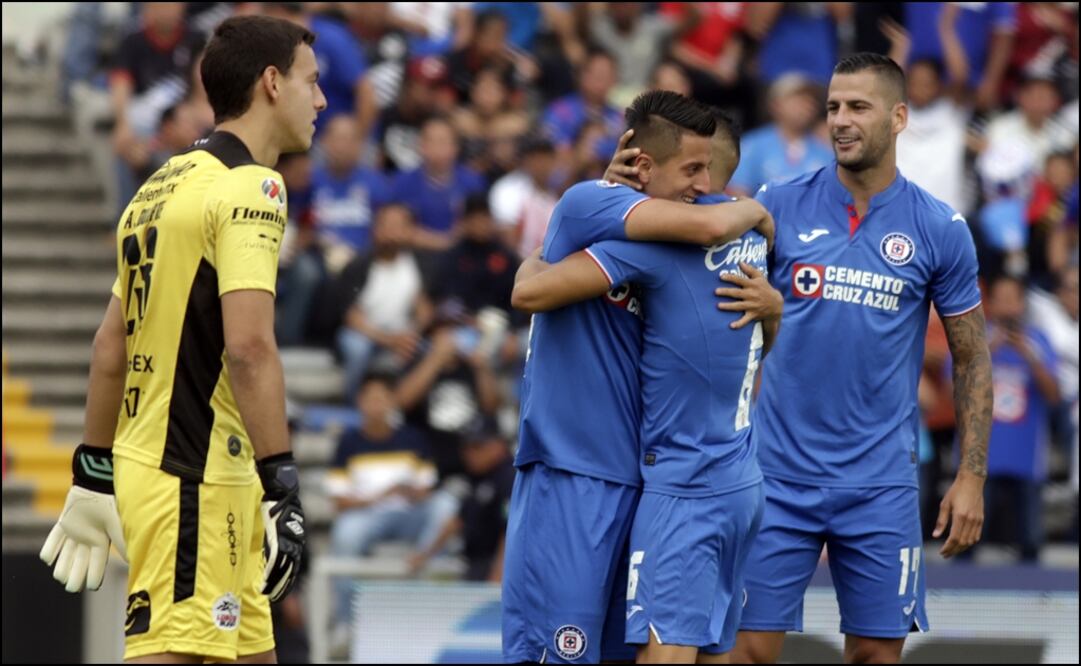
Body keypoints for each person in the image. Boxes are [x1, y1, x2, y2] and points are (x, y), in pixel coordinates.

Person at [40, 15, 326, 663]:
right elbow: (249, 348)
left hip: (178, 473)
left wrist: (93, 470)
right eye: (312, 82)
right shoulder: (252, 186)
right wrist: (283, 485)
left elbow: (110, 346)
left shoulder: (158, 186)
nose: (322, 100)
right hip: (193, 474)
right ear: (272, 83)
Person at [732, 53, 993, 665]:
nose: (840, 120)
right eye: (832, 107)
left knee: (875, 656)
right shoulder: (777, 204)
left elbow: (973, 358)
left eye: (858, 107)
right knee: (745, 652)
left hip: (880, 483)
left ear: (898, 117)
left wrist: (971, 476)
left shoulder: (939, 227)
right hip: (776, 473)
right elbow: (726, 324)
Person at [500, 90, 777, 664]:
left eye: (709, 169)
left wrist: (771, 311)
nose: (704, 184)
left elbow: (738, 355)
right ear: (643, 165)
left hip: (647, 483)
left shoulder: (664, 249)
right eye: (692, 169)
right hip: (571, 471)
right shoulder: (592, 201)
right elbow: (526, 291)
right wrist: (755, 209)